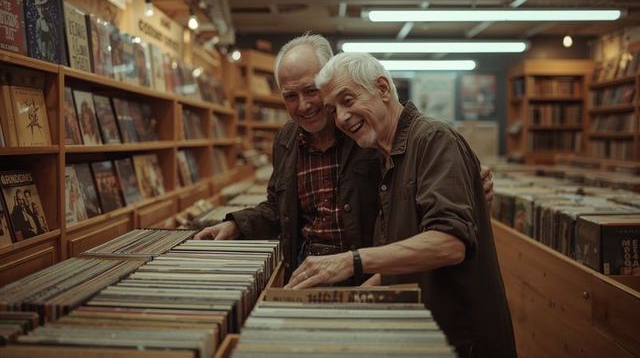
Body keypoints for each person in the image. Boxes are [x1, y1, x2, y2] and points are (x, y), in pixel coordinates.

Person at [194, 33, 495, 281]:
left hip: (371, 268)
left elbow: (417, 193)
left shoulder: (370, 133)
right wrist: (237, 226)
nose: (304, 105)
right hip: (308, 268)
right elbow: (279, 206)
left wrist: (464, 184)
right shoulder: (287, 140)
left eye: (312, 91)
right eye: (290, 96)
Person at [285, 51, 515, 358]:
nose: (340, 117)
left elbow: (450, 243)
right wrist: (346, 305)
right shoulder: (387, 158)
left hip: (462, 340)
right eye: (333, 109)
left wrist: (349, 260)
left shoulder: (433, 138)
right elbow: (405, 258)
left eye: (348, 100)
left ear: (382, 88)